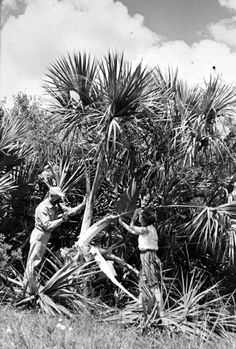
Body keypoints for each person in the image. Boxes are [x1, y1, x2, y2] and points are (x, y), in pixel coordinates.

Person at [24, 186, 86, 288]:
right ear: (51, 196)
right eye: (57, 197)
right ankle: (26, 287)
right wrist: (61, 220)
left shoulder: (56, 206)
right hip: (40, 235)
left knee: (37, 260)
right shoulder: (43, 207)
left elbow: (71, 211)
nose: (59, 199)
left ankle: (31, 285)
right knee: (33, 261)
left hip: (45, 235)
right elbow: (47, 226)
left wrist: (82, 205)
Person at [119, 208, 162, 317]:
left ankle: (162, 313)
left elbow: (133, 227)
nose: (138, 218)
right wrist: (121, 223)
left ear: (145, 219)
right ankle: (140, 310)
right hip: (145, 257)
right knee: (143, 285)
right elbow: (132, 230)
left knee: (154, 285)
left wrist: (134, 214)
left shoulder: (146, 229)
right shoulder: (148, 229)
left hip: (149, 256)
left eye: (140, 216)